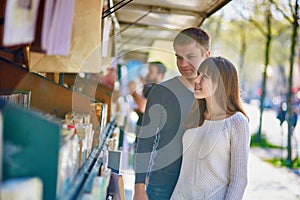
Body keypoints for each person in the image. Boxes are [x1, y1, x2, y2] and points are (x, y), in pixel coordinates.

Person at [133, 27, 210, 200]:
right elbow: (145, 141)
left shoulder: (215, 96)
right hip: (162, 185)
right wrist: (139, 187)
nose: (183, 63)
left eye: (190, 57)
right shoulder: (161, 91)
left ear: (207, 55)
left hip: (201, 188)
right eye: (178, 57)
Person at [171, 57, 250, 199]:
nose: (196, 80)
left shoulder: (236, 122)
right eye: (198, 74)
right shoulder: (194, 116)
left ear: (222, 83)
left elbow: (239, 180)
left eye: (205, 76)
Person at [128, 61, 167, 129]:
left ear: (160, 75)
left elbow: (145, 107)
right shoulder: (151, 87)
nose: (148, 74)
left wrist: (133, 91)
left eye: (151, 72)